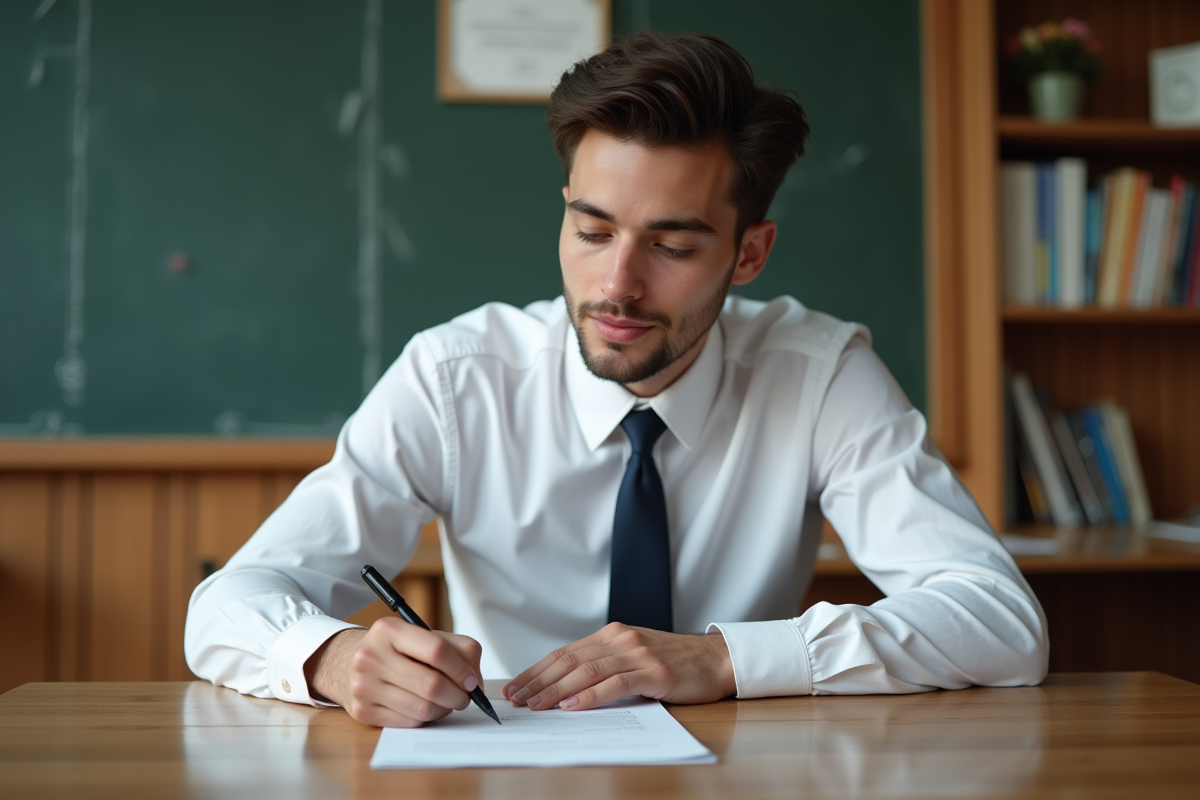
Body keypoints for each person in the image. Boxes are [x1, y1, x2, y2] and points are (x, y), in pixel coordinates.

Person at [185, 32, 1047, 728]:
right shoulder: (457, 378)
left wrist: (722, 659)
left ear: (748, 253)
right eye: (592, 231)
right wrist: (332, 660)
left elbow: (1000, 623)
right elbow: (229, 603)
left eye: (672, 246)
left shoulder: (819, 375)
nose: (617, 288)